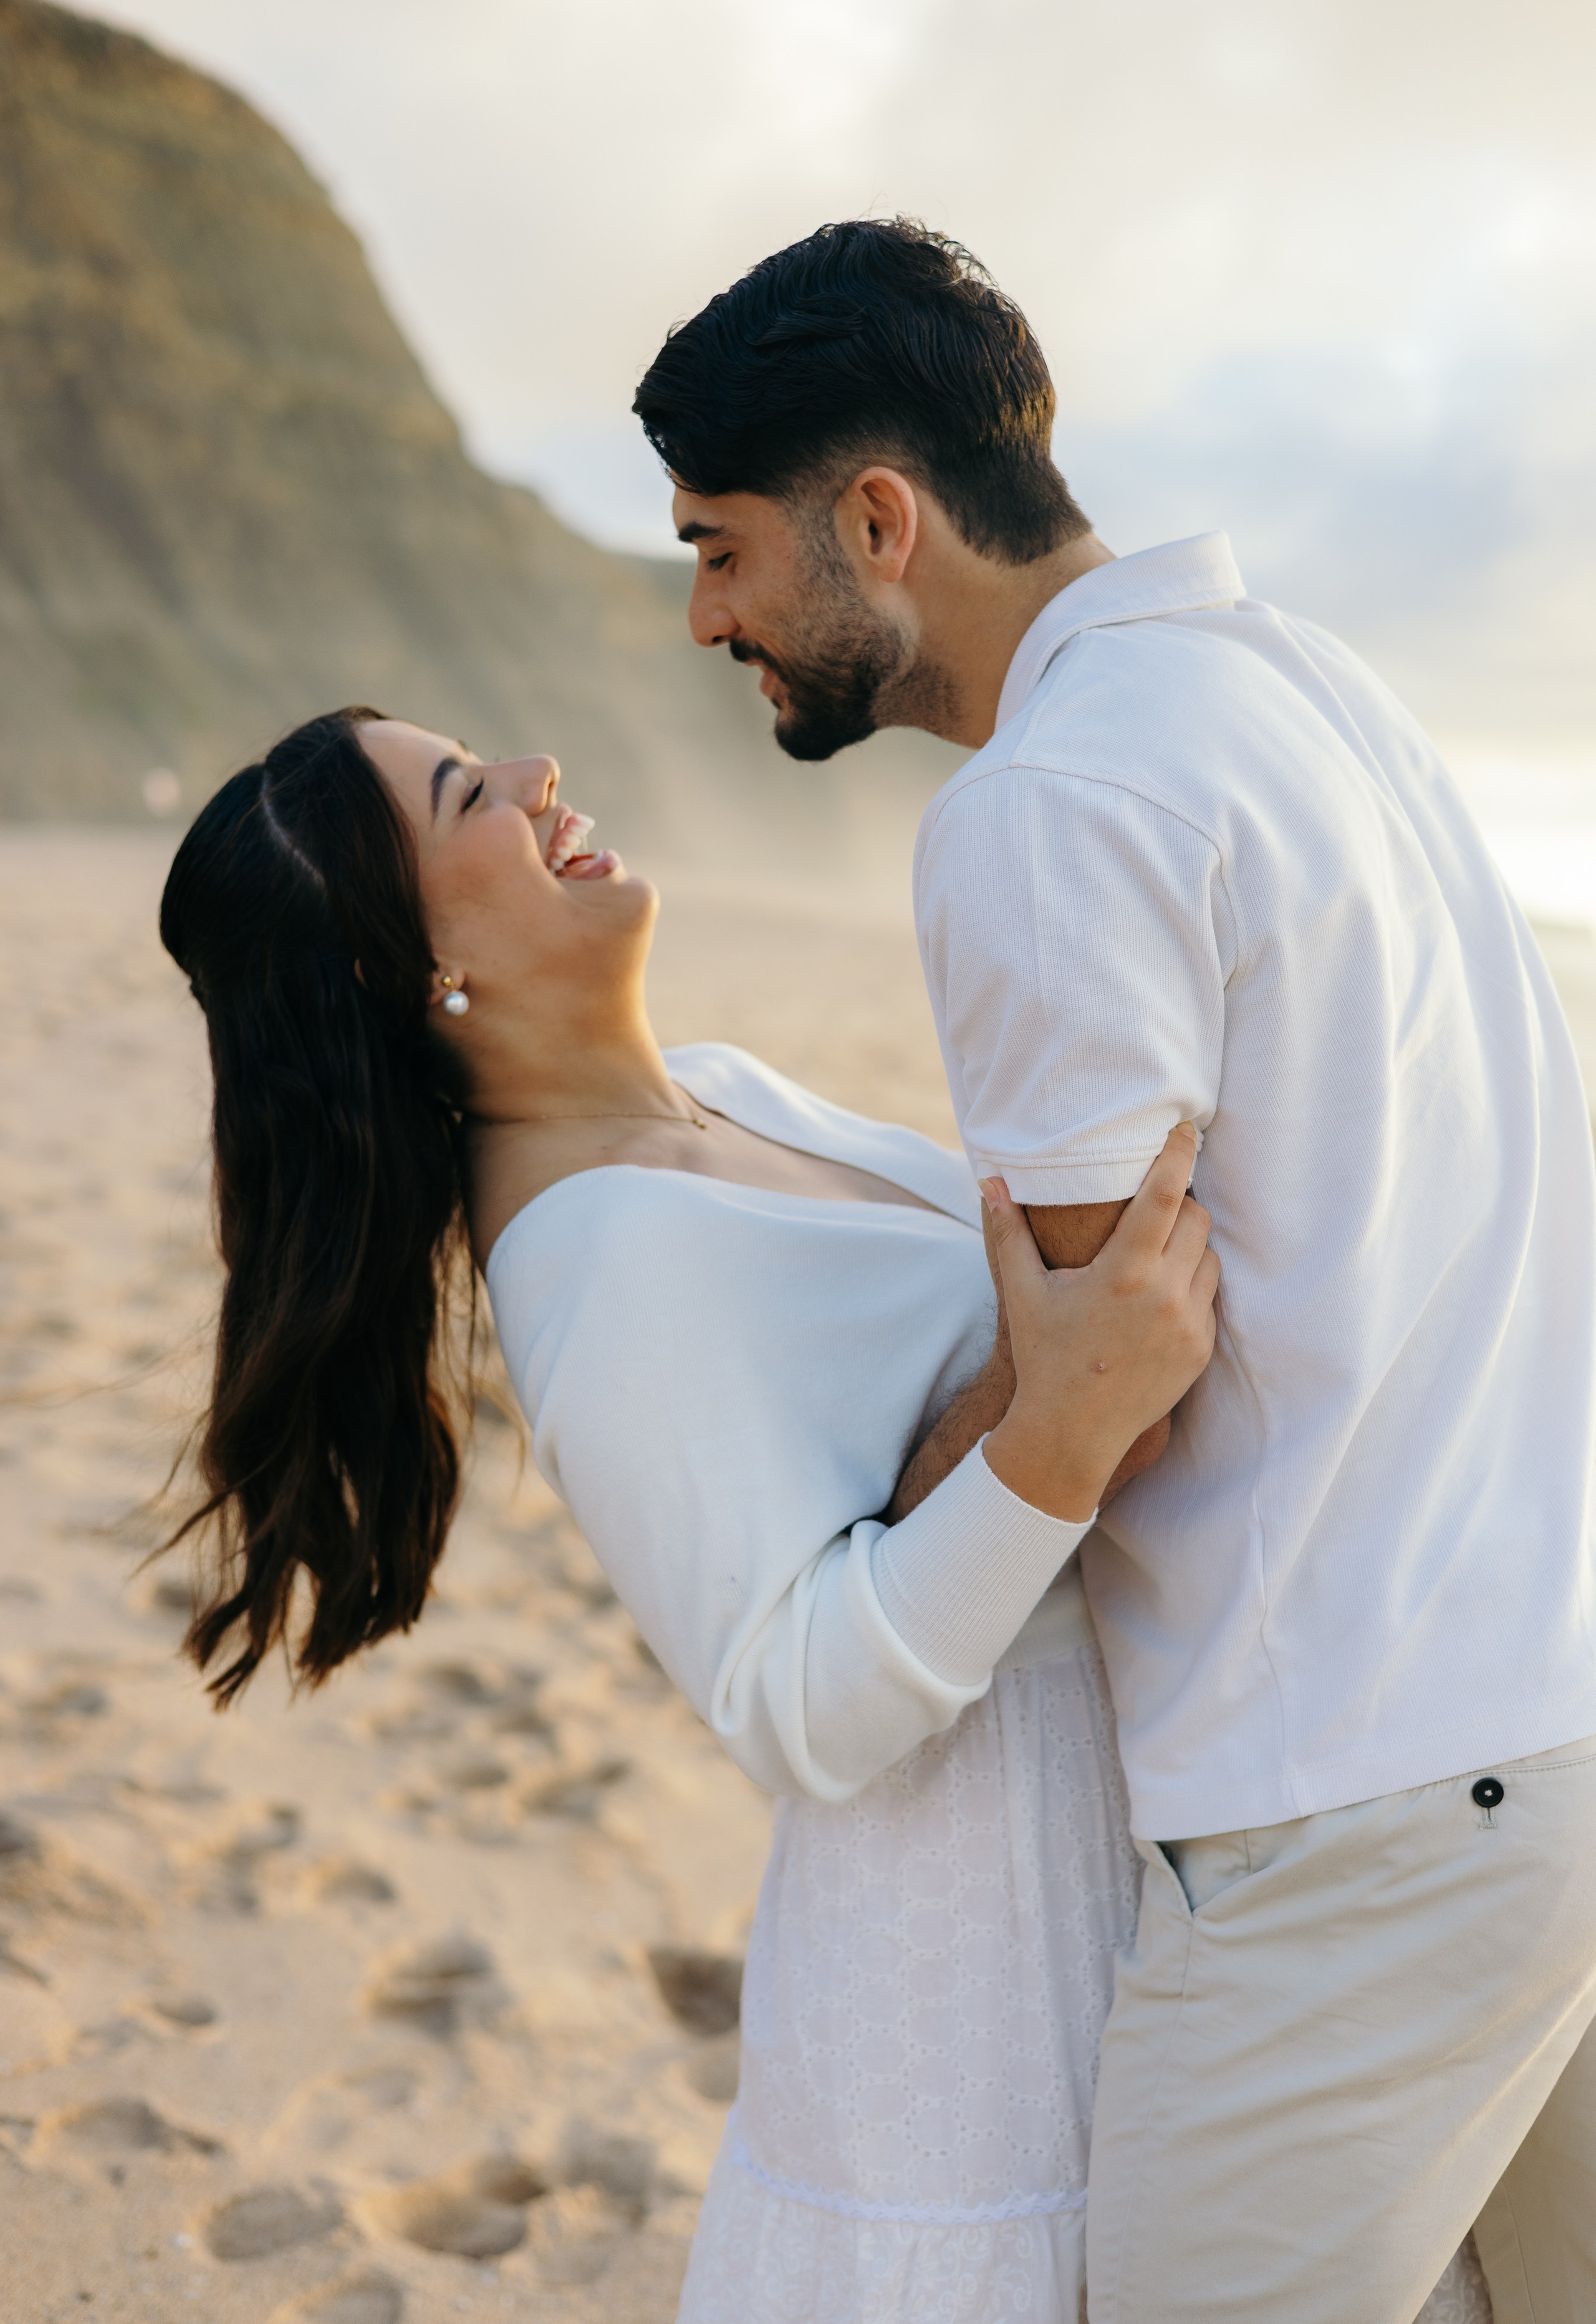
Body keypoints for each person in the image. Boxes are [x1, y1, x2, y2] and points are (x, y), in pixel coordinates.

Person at [634, 217, 1596, 2324]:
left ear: (876, 522)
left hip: (1357, 1817)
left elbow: (1109, 1388)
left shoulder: (1049, 809)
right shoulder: (1309, 690)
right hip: (1564, 1718)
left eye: (722, 550)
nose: (710, 617)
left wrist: (875, 1526)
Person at [158, 704, 1221, 2322]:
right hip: (985, 1971)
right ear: (423, 972)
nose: (538, 781)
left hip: (1100, 1861)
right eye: (471, 799)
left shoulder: (709, 1096)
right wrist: (1063, 1434)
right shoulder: (599, 1256)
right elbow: (796, 1705)